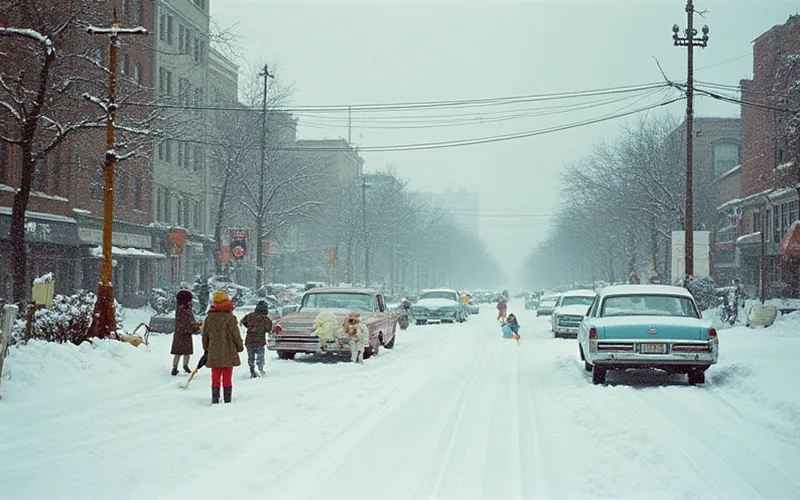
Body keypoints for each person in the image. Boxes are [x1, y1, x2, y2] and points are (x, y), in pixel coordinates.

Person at [201, 291, 244, 404]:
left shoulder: (209, 318)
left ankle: (215, 399)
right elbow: (236, 335)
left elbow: (205, 336)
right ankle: (227, 399)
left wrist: (206, 349)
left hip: (214, 350)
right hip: (228, 350)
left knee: (215, 376)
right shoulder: (230, 318)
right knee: (227, 375)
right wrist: (239, 347)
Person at [171, 290, 201, 376]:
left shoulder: (178, 309)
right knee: (186, 352)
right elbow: (190, 323)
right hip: (186, 334)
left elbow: (181, 322)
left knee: (178, 352)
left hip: (178, 333)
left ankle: (174, 367)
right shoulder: (187, 311)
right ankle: (185, 365)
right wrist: (197, 326)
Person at [240, 300, 273, 378]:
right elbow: (269, 329)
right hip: (259, 341)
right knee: (260, 356)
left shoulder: (250, 315)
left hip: (249, 340)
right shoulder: (266, 319)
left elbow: (243, 321)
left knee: (250, 357)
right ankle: (260, 369)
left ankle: (252, 369)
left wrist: (250, 327)